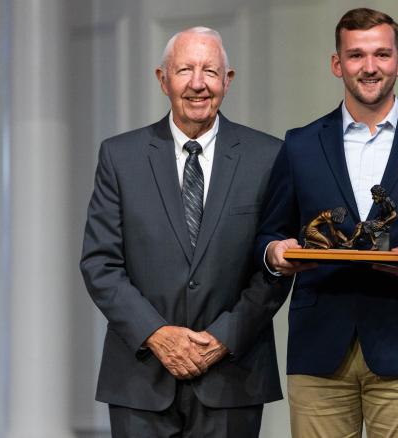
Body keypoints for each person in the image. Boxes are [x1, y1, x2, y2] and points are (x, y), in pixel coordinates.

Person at [256, 7, 398, 437]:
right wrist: (274, 253)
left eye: (381, 54)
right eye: (356, 55)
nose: (369, 67)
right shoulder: (300, 145)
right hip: (318, 347)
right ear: (337, 64)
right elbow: (268, 232)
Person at [80, 27, 289, 437]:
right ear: (163, 79)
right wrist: (156, 334)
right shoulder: (120, 156)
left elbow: (277, 267)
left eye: (210, 71)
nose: (198, 84)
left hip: (233, 375)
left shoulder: (269, 157)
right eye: (185, 70)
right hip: (140, 377)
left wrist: (222, 338)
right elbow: (100, 263)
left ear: (227, 81)